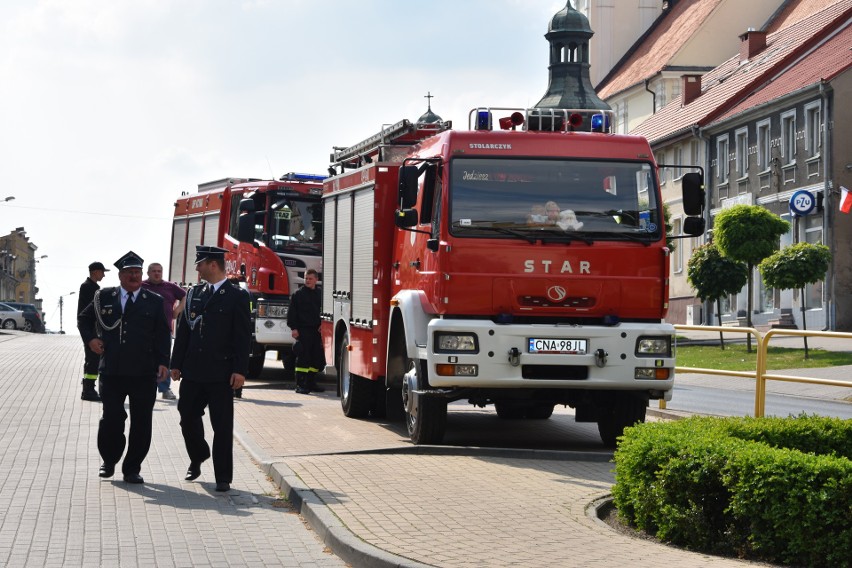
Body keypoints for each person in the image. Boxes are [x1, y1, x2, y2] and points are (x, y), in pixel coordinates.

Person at [77, 251, 171, 484]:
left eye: (137, 272)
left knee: (141, 423)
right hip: (112, 371)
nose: (134, 276)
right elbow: (84, 319)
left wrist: (163, 363)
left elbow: (162, 334)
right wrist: (90, 339)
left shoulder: (154, 301)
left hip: (143, 372)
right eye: (129, 272)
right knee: (111, 419)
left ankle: (132, 468)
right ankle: (109, 460)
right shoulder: (104, 297)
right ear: (120, 275)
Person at [170, 245, 251, 492]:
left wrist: (240, 370)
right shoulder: (194, 293)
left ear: (212, 265)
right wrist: (176, 363)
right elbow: (183, 331)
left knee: (222, 427)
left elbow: (242, 336)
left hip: (221, 373)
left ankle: (223, 477)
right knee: (187, 416)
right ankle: (198, 455)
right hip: (193, 371)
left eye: (200, 264)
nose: (197, 268)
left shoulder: (237, 296)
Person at [141, 262, 187, 400]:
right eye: (154, 271)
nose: (157, 273)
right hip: (144, 331)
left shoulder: (170, 287)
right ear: (148, 273)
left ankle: (165, 389)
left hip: (164, 330)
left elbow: (185, 296)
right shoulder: (141, 286)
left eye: (159, 271)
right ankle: (144, 386)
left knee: (164, 359)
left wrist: (177, 311)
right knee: (144, 359)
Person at [286, 268, 326, 395]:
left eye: (310, 278)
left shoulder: (320, 295)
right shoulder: (298, 295)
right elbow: (292, 313)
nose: (307, 281)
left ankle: (310, 383)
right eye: (306, 278)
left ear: (316, 280)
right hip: (303, 331)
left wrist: (323, 324)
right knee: (303, 358)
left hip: (317, 331)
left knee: (317, 359)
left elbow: (325, 313)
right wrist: (294, 328)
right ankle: (300, 385)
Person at [77, 261, 109, 402]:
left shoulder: (93, 287)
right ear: (95, 272)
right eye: (102, 272)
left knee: (92, 359)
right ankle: (88, 390)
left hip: (92, 328)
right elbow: (92, 310)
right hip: (90, 329)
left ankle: (88, 388)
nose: (103, 275)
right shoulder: (88, 287)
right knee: (93, 360)